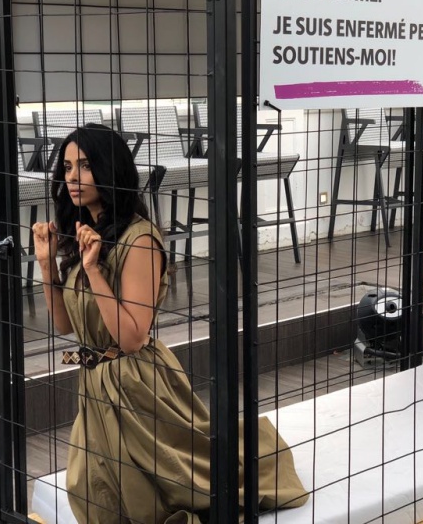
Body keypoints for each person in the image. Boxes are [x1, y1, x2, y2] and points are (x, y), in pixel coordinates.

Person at [32, 123, 307, 524]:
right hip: (95, 383)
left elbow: (131, 337)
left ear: (110, 170)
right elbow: (63, 325)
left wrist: (93, 270)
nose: (73, 177)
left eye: (86, 166)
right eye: (68, 167)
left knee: (153, 491)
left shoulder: (139, 239)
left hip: (136, 383)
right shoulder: (84, 234)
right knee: (94, 489)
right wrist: (46, 265)